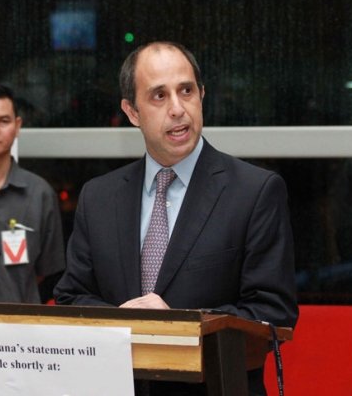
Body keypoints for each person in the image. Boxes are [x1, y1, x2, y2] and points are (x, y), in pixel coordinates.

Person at [54, 42, 298, 395]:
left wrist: (178, 322)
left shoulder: (254, 191)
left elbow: (273, 313)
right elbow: (71, 297)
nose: (177, 109)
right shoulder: (99, 196)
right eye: (158, 96)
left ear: (201, 95)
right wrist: (123, 324)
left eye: (186, 91)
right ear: (132, 112)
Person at [0, 84, 65, 303]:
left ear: (17, 126)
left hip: (21, 328)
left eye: (3, 121)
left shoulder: (40, 193)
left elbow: (47, 271)